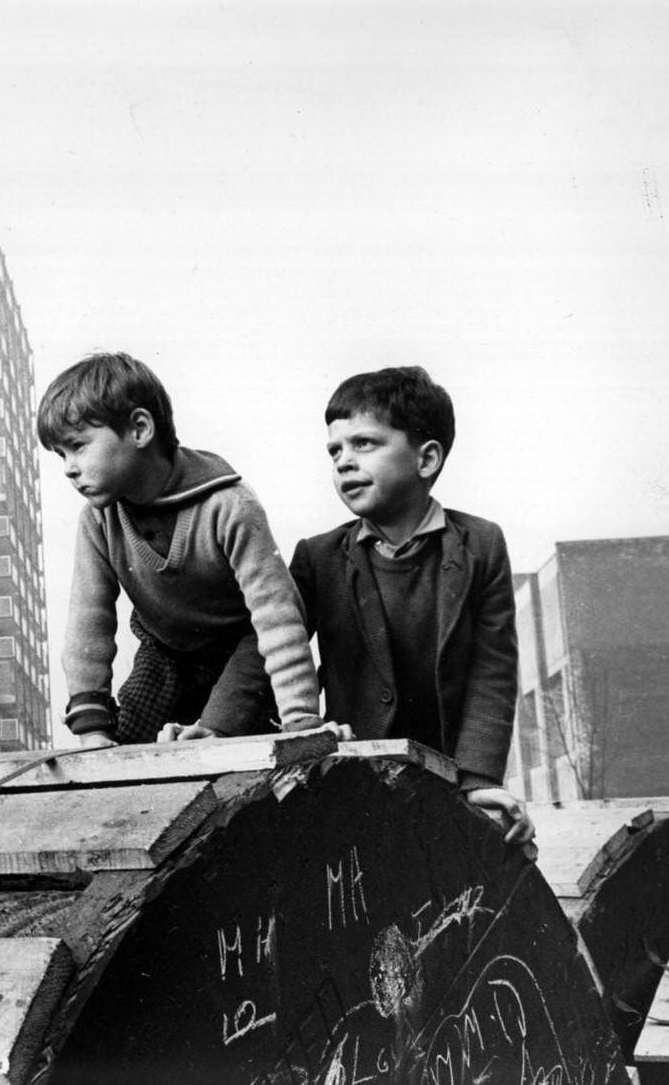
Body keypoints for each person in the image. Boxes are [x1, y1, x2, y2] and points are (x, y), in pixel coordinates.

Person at [286, 366, 535, 850]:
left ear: (426, 459)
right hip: (353, 781)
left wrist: (479, 778)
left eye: (364, 444)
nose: (342, 462)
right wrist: (216, 724)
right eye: (334, 450)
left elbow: (493, 669)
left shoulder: (480, 544)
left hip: (448, 779)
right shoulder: (317, 558)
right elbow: (270, 648)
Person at [38, 351, 325, 746]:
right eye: (61, 455)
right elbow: (88, 621)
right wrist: (93, 731)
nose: (69, 467)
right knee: (127, 749)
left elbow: (278, 617)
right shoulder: (97, 520)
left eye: (78, 446)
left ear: (139, 429)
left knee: (221, 746)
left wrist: (301, 721)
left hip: (242, 650)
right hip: (165, 652)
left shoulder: (229, 505)